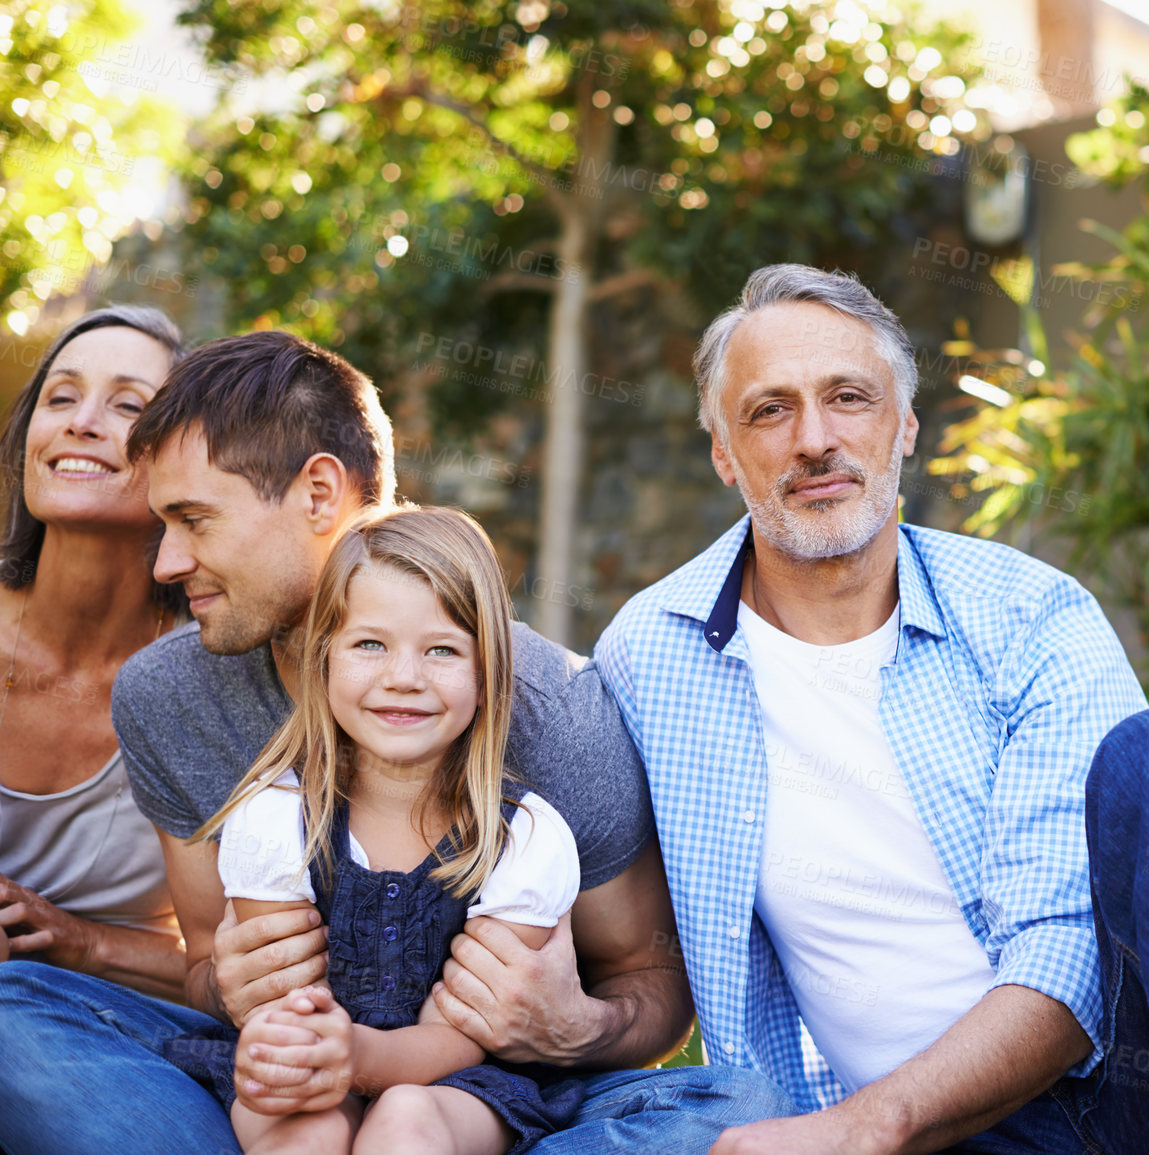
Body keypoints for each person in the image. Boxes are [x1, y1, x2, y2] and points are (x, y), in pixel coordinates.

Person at [593, 264, 1149, 1155]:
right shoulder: (651, 653)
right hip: (869, 1131)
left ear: (904, 425)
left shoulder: (1031, 614)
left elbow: (1066, 955)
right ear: (724, 452)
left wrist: (861, 1129)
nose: (815, 439)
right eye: (769, 410)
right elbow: (615, 926)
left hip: (1108, 1096)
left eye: (849, 397)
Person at [0, 329, 789, 1155]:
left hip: (485, 1103)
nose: (165, 562)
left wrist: (576, 1025)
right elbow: (205, 968)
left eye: (193, 519)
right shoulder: (171, 695)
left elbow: (650, 984)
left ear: (317, 493)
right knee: (16, 1003)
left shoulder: (547, 709)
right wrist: (231, 987)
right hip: (284, 1091)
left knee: (734, 1103)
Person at [166, 505, 590, 1155]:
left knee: (406, 1120)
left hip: (460, 1079)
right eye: (370, 643)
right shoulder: (277, 815)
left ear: (485, 676)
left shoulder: (524, 836)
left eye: (442, 650)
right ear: (325, 659)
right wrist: (299, 1052)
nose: (403, 677)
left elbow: (465, 1033)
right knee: (307, 1126)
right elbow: (282, 1005)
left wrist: (358, 1055)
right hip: (310, 1065)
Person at [0, 304, 189, 999]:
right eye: (61, 396)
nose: (82, 422)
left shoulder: (211, 678)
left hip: (117, 1026)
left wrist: (79, 942)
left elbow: (230, 970)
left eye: (128, 405)